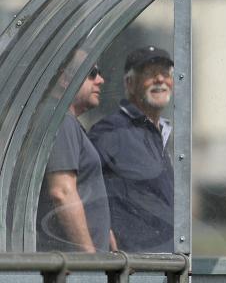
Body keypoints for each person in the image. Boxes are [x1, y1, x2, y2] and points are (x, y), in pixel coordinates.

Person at [89, 46, 174, 253]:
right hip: (132, 263)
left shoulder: (164, 132)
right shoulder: (111, 131)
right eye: (149, 74)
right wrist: (103, 232)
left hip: (166, 258)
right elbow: (84, 187)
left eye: (165, 73)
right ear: (130, 83)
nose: (160, 80)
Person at [37, 62, 112, 253]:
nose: (100, 80)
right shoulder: (60, 120)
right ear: (64, 78)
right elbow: (62, 192)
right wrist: (90, 259)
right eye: (92, 73)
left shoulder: (68, 123)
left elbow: (86, 194)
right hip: (72, 268)